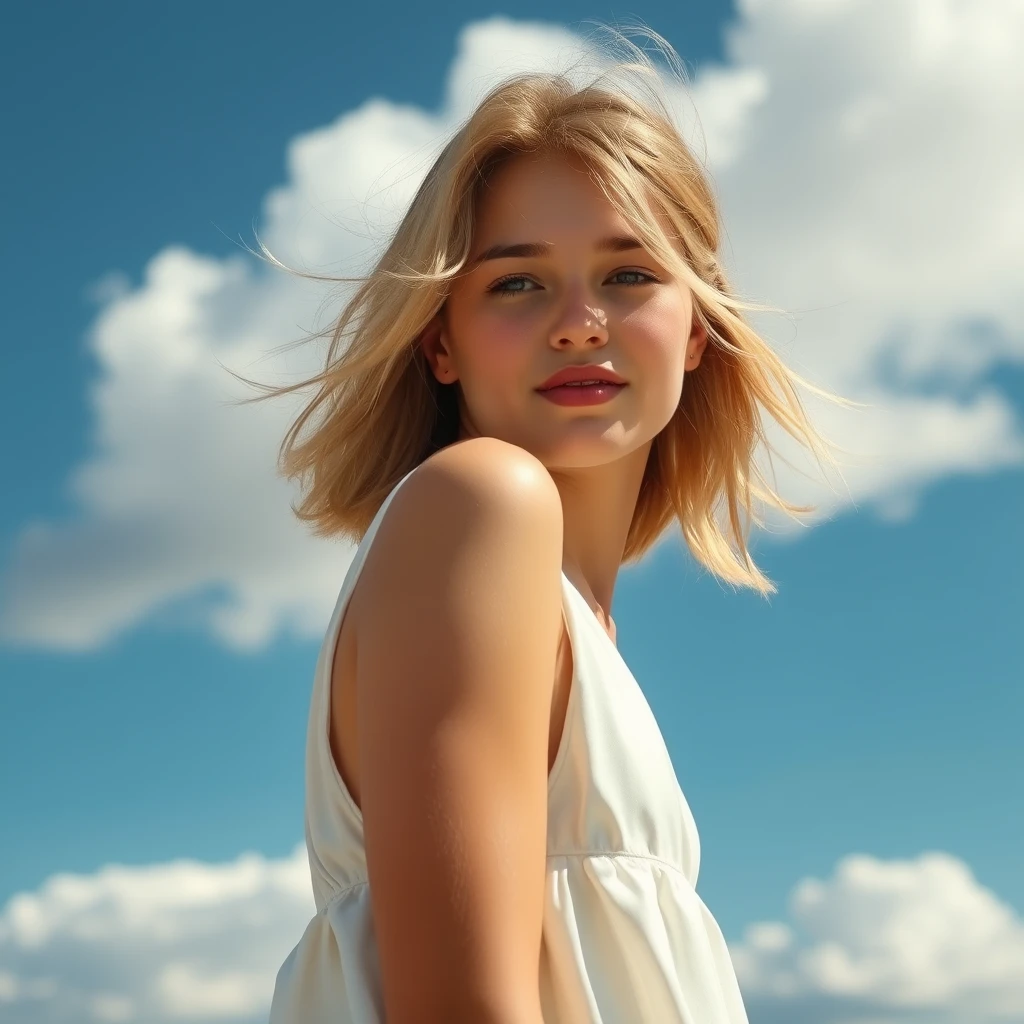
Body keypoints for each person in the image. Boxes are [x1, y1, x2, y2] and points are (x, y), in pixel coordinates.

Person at [243, 25, 846, 1024]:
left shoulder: (573, 623)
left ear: (696, 328)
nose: (579, 321)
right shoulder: (480, 502)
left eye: (629, 274)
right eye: (517, 281)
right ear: (440, 341)